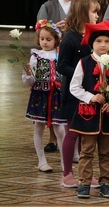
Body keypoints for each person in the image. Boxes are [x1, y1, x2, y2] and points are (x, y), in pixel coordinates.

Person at [70, 21, 109, 199]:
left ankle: (105, 181)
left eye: (106, 41)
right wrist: (91, 97)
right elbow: (74, 87)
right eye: (98, 41)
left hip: (108, 115)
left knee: (106, 151)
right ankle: (85, 182)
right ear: (92, 44)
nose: (102, 44)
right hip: (88, 115)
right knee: (87, 151)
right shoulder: (84, 62)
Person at [58, 0, 101, 188]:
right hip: (74, 93)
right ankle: (67, 174)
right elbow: (62, 66)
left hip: (90, 93)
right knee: (72, 133)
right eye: (94, 12)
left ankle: (85, 173)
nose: (97, 15)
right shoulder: (70, 38)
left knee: (87, 134)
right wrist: (80, 74)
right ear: (83, 13)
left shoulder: (92, 37)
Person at [36, 0, 80, 153]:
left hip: (71, 54)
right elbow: (40, 28)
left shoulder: (78, 7)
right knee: (52, 95)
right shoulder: (48, 6)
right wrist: (54, 29)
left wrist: (70, 28)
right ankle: (52, 137)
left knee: (68, 92)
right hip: (52, 55)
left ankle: (70, 134)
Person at [23, 19, 66, 173]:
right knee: (39, 128)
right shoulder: (35, 56)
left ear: (56, 39)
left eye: (49, 39)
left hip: (56, 96)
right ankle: (42, 160)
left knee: (60, 129)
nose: (45, 42)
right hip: (40, 96)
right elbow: (30, 81)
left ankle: (64, 161)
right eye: (42, 39)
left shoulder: (60, 55)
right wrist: (28, 74)